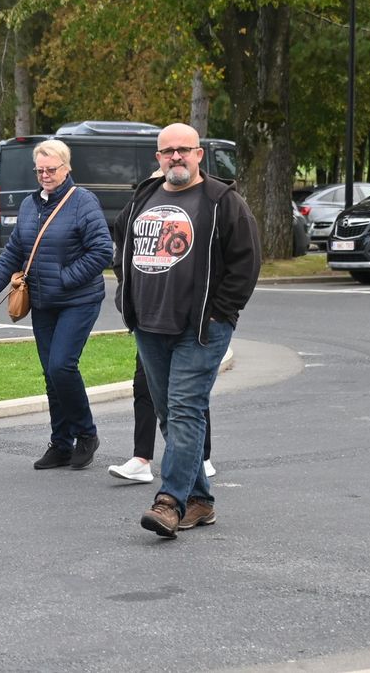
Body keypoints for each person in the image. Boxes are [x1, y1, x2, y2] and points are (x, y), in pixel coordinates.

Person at [114, 122, 260, 538]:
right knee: (168, 414)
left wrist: (221, 313)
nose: (175, 157)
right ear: (158, 158)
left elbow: (245, 262)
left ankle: (170, 502)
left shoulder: (222, 201)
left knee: (184, 409)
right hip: (149, 324)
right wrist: (127, 295)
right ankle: (201, 501)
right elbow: (120, 241)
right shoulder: (145, 195)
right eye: (167, 151)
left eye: (184, 150)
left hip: (200, 329)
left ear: (199, 154)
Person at [0, 139, 112, 470]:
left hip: (78, 299)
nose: (45, 175)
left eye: (52, 169)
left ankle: (86, 433)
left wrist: (65, 278)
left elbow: (102, 251)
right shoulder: (29, 205)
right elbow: (14, 253)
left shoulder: (83, 202)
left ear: (67, 168)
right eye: (40, 170)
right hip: (44, 301)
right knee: (51, 374)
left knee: (62, 366)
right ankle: (61, 444)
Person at [108, 354, 216, 483]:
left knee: (191, 391)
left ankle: (202, 458)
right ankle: (141, 459)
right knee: (143, 384)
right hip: (153, 333)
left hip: (190, 336)